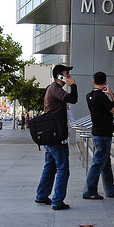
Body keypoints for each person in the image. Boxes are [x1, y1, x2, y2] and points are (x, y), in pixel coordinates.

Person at [35, 64, 78, 211]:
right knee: (63, 168)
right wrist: (73, 85)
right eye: (67, 74)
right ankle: (57, 201)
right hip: (56, 135)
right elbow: (73, 99)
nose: (69, 76)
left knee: (50, 166)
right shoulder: (55, 89)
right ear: (59, 76)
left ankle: (41, 195)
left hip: (51, 134)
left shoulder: (52, 88)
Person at [82, 71, 114, 200]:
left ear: (94, 81)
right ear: (105, 81)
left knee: (105, 163)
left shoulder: (89, 96)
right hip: (104, 134)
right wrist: (111, 94)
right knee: (98, 162)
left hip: (96, 132)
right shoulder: (101, 97)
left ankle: (110, 190)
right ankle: (89, 190)